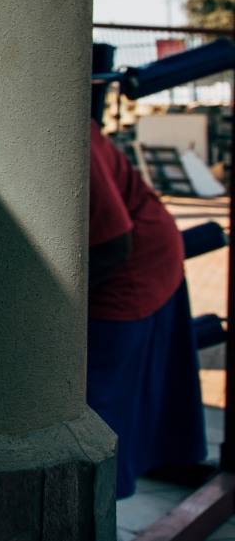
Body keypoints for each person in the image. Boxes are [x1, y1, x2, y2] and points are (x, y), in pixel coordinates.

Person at [87, 117, 206, 498]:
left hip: (131, 263)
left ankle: (104, 501)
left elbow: (114, 244)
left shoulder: (68, 136)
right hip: (133, 249)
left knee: (100, 408)